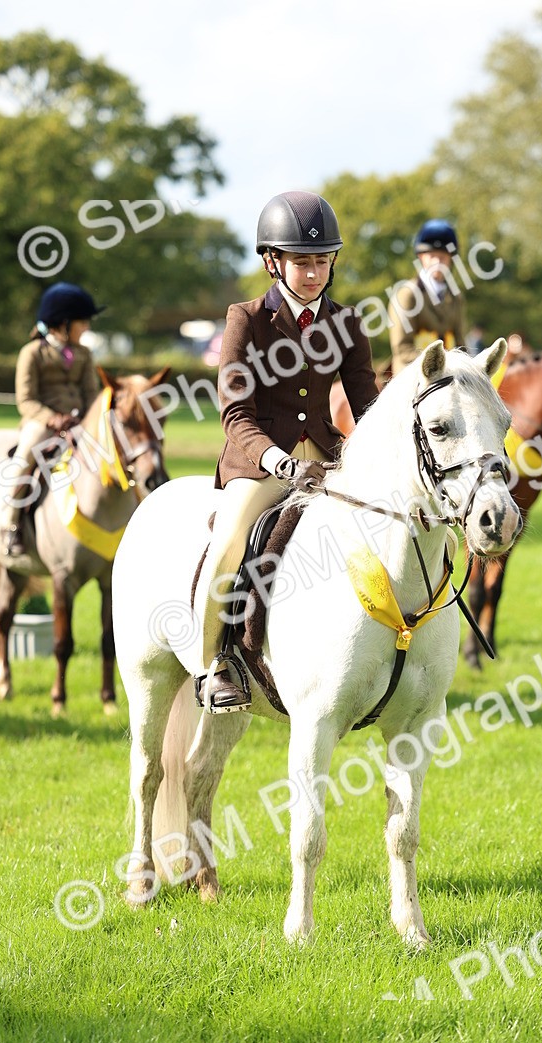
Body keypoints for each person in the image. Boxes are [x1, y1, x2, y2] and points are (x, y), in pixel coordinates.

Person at [194, 190, 379, 712]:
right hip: (258, 463)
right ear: (273, 262)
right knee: (229, 544)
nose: (314, 273)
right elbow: (234, 413)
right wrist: (277, 459)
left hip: (325, 459)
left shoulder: (346, 322)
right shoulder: (245, 320)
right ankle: (217, 663)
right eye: (302, 262)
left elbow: (367, 405)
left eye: (322, 261)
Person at [1, 282, 104, 556]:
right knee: (26, 454)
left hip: (78, 423)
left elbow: (91, 394)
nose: (87, 328)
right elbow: (25, 400)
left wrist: (90, 418)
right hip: (41, 424)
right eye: (83, 322)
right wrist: (52, 419)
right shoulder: (32, 353)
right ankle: (10, 523)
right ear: (64, 323)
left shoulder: (84, 354)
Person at [388, 219, 466, 376]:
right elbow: (402, 349)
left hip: (449, 374)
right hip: (412, 372)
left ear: (450, 259)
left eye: (442, 257)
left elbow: (461, 344)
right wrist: (439, 365)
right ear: (421, 257)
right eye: (432, 256)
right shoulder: (407, 294)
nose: (437, 262)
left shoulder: (456, 297)